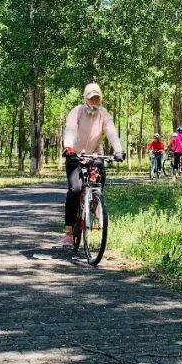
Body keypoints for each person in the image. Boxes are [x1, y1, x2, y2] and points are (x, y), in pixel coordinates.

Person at [61, 82, 123, 247]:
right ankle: (69, 232)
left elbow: (111, 132)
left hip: (95, 153)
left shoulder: (104, 114)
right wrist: (68, 146)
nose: (94, 102)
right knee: (75, 189)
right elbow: (70, 129)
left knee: (99, 176)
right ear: (85, 98)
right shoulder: (77, 111)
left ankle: (95, 201)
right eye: (91, 98)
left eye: (97, 98)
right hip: (74, 154)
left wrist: (118, 150)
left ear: (100, 99)